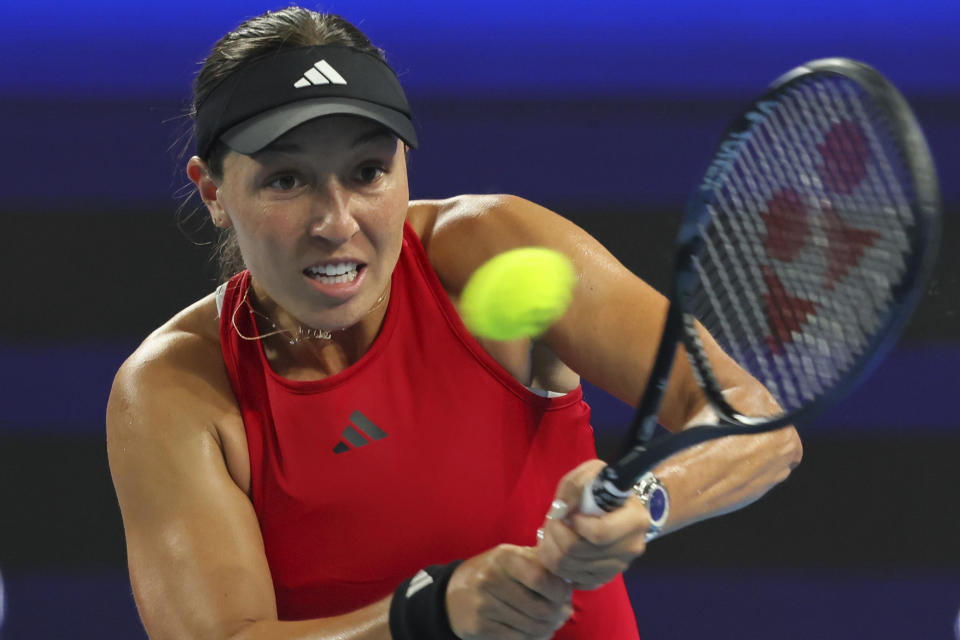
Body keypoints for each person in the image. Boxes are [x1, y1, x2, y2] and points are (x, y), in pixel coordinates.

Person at [106, 7, 802, 640]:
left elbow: (757, 423)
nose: (337, 222)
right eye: (286, 180)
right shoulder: (173, 389)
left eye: (368, 171)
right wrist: (429, 616)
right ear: (213, 191)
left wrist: (645, 502)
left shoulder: (494, 244)